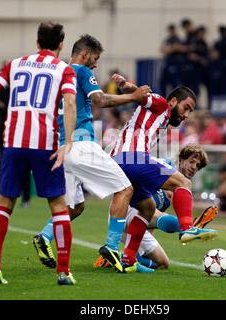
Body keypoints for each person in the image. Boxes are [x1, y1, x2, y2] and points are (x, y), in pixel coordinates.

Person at [31, 34, 151, 271]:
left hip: (60, 148)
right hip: (80, 144)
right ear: (85, 54)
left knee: (76, 206)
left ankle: (44, 237)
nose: (96, 65)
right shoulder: (81, 71)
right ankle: (112, 247)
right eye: (95, 58)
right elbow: (100, 99)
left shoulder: (57, 73)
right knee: (125, 188)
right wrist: (133, 97)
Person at [0, 21, 78, 285]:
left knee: (4, 203)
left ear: (37, 43)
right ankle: (64, 272)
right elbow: (69, 101)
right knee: (58, 204)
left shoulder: (16, 63)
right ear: (61, 45)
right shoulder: (64, 70)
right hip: (44, 143)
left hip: (13, 142)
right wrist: (68, 143)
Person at [109, 76, 218, 273]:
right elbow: (142, 96)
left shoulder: (160, 120)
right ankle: (187, 228)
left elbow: (141, 97)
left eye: (190, 112)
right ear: (174, 101)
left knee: (148, 208)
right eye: (186, 108)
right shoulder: (162, 105)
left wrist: (128, 87)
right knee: (183, 182)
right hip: (130, 158)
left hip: (120, 164)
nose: (186, 115)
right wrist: (127, 86)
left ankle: (128, 259)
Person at [94, 144, 218, 270]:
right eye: (191, 161)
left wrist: (139, 243)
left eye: (197, 166)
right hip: (125, 210)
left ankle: (119, 259)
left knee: (163, 263)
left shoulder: (178, 193)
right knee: (156, 213)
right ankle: (188, 225)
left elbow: (149, 221)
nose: (193, 167)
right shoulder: (164, 166)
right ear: (180, 160)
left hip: (138, 221)